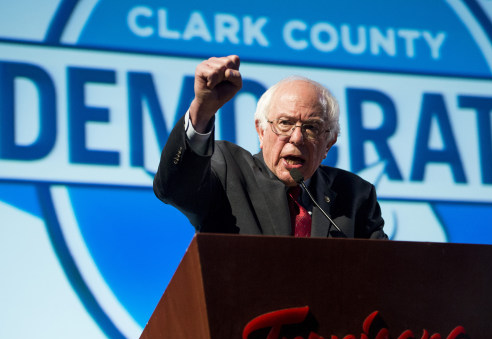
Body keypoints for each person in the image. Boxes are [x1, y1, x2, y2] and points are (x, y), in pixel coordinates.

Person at [153, 55, 387, 239]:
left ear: (329, 143)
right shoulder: (226, 168)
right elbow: (174, 187)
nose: (296, 138)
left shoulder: (355, 196)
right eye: (284, 123)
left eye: (312, 128)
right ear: (261, 131)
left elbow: (384, 280)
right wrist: (202, 110)